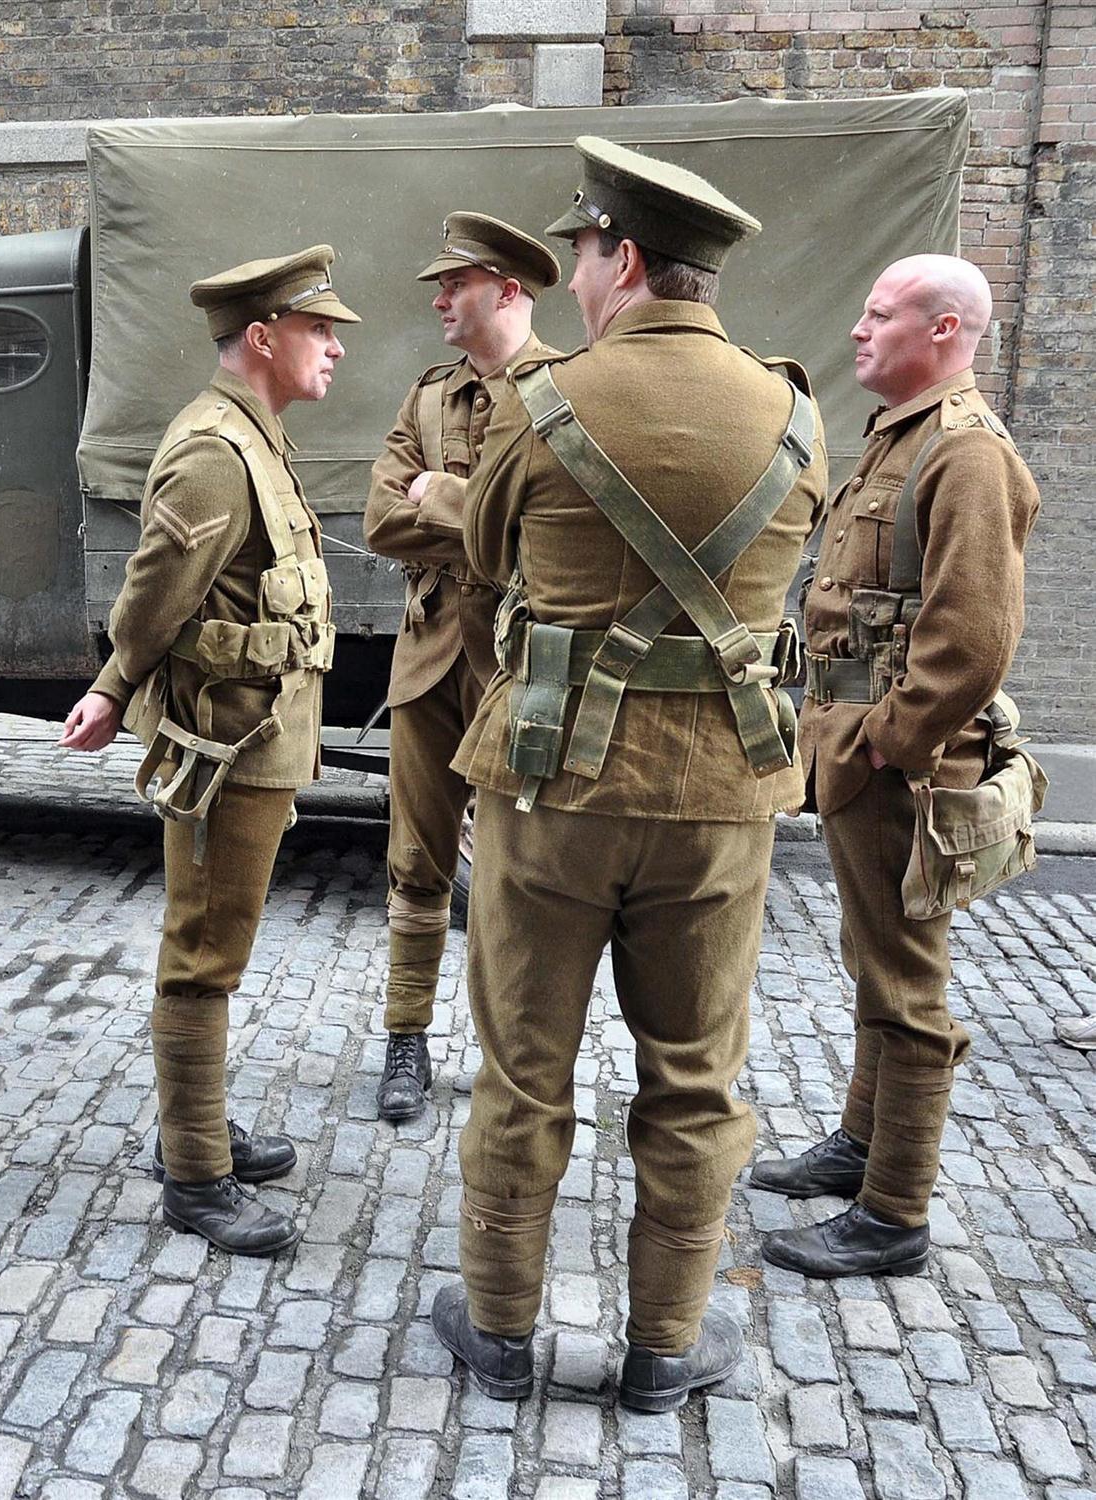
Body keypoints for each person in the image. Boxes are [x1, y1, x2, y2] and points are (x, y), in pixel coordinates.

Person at [428, 136, 828, 1412]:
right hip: (718, 802)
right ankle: (662, 1343)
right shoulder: (798, 415)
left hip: (552, 791)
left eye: (586, 253)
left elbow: (484, 552)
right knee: (696, 1078)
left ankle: (497, 1328)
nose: (579, 279)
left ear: (627, 257)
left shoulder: (545, 404)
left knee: (523, 1069)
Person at [59, 246, 358, 1256]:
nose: (335, 350)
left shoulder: (254, 438)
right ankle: (193, 1172)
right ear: (265, 337)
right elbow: (152, 597)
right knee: (202, 956)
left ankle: (198, 1115)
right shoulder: (213, 451)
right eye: (321, 331)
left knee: (216, 951)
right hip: (221, 745)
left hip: (255, 735)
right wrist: (110, 688)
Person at [754, 255, 1039, 1277]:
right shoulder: (900, 436)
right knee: (872, 959)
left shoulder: (964, 453)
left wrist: (887, 741)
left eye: (879, 316)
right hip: (859, 757)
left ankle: (892, 1211)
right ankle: (858, 1145)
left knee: (908, 987)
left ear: (946, 327)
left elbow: (970, 638)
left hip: (899, 769)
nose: (856, 332)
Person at [363, 213, 561, 1123]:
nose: (439, 299)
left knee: (518, 873)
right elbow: (378, 521)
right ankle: (406, 1040)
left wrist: (440, 496)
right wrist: (480, 516)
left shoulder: (563, 394)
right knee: (416, 862)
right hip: (428, 654)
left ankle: (506, 1058)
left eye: (456, 284)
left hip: (521, 665)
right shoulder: (428, 397)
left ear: (509, 289)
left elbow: (552, 540)